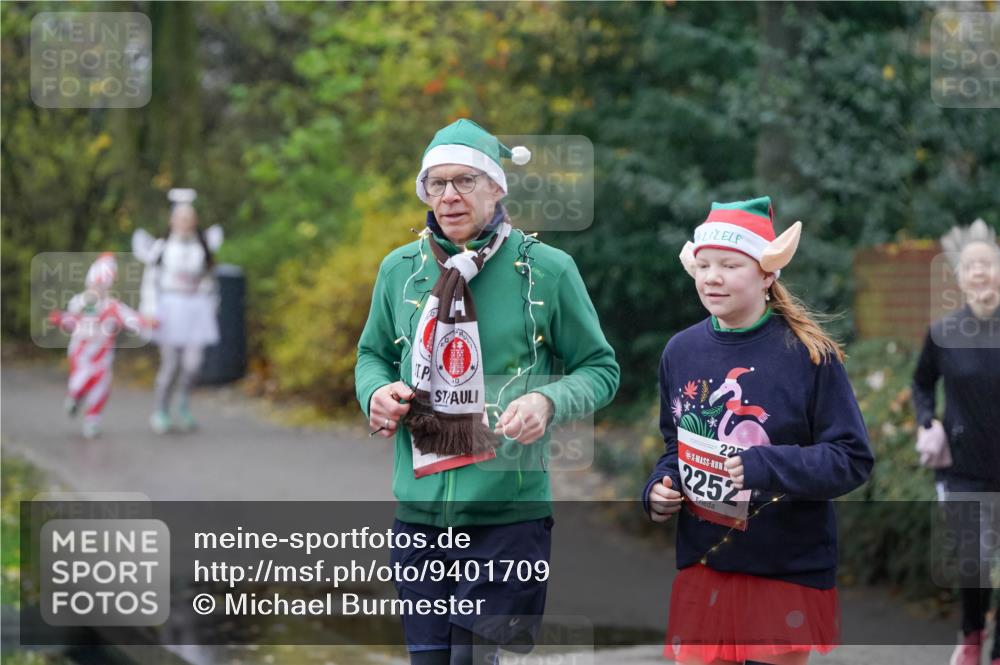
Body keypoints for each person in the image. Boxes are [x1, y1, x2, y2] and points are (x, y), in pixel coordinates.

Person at [355, 118, 619, 664]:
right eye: (437, 183)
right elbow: (372, 356)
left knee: (473, 661)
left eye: (465, 181)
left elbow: (600, 368)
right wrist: (375, 393)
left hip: (507, 518)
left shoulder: (546, 271)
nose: (449, 196)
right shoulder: (399, 270)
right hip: (418, 516)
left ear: (497, 187)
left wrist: (548, 400)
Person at [643, 197, 874, 665]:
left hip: (785, 567)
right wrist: (659, 487)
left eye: (730, 265)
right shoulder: (680, 350)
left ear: (768, 274)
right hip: (705, 563)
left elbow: (851, 458)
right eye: (704, 265)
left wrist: (762, 465)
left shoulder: (809, 355)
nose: (712, 277)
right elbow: (678, 442)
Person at [912, 218, 1000, 665]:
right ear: (960, 276)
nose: (979, 272)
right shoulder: (944, 332)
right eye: (971, 266)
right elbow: (922, 383)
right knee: (973, 558)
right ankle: (971, 634)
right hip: (964, 464)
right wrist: (927, 421)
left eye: (987, 263)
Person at [132, 188, 224, 434]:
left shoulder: (203, 247)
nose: (185, 224)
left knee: (193, 364)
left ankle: (183, 403)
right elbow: (151, 282)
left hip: (196, 309)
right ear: (173, 221)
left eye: (189, 220)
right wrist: (149, 310)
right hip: (170, 309)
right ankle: (161, 408)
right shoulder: (161, 249)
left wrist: (210, 301)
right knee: (170, 364)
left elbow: (210, 280)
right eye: (181, 219)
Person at [48, 253, 151, 438]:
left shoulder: (113, 306)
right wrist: (60, 319)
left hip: (103, 354)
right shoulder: (79, 302)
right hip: (81, 353)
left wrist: (146, 323)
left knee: (101, 387)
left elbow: (131, 319)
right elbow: (71, 321)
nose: (98, 290)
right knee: (80, 382)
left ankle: (92, 420)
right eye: (95, 285)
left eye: (103, 286)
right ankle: (75, 397)